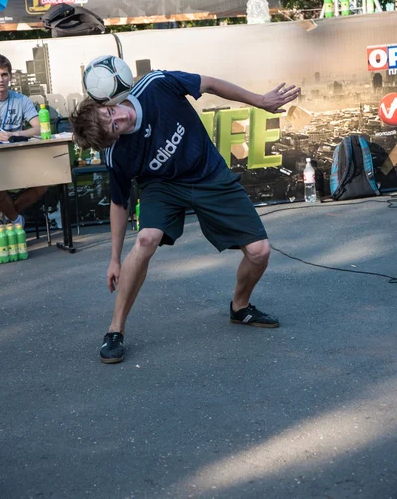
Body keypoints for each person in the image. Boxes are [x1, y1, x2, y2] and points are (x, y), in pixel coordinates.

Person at [69, 65, 300, 364]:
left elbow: (212, 83)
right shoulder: (117, 154)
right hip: (161, 187)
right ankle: (115, 330)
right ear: (112, 140)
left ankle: (240, 307)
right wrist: (114, 259)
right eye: (115, 127)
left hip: (208, 172)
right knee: (146, 239)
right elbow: (119, 203)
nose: (121, 118)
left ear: (106, 103)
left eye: (111, 113)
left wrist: (260, 100)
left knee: (260, 252)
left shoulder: (157, 85)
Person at [0, 54, 48, 227]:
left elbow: (39, 128)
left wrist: (19, 134)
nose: (1, 80)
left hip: (19, 160)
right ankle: (17, 220)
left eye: (4, 75)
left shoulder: (21, 100)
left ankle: (10, 215)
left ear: (10, 77)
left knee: (44, 183)